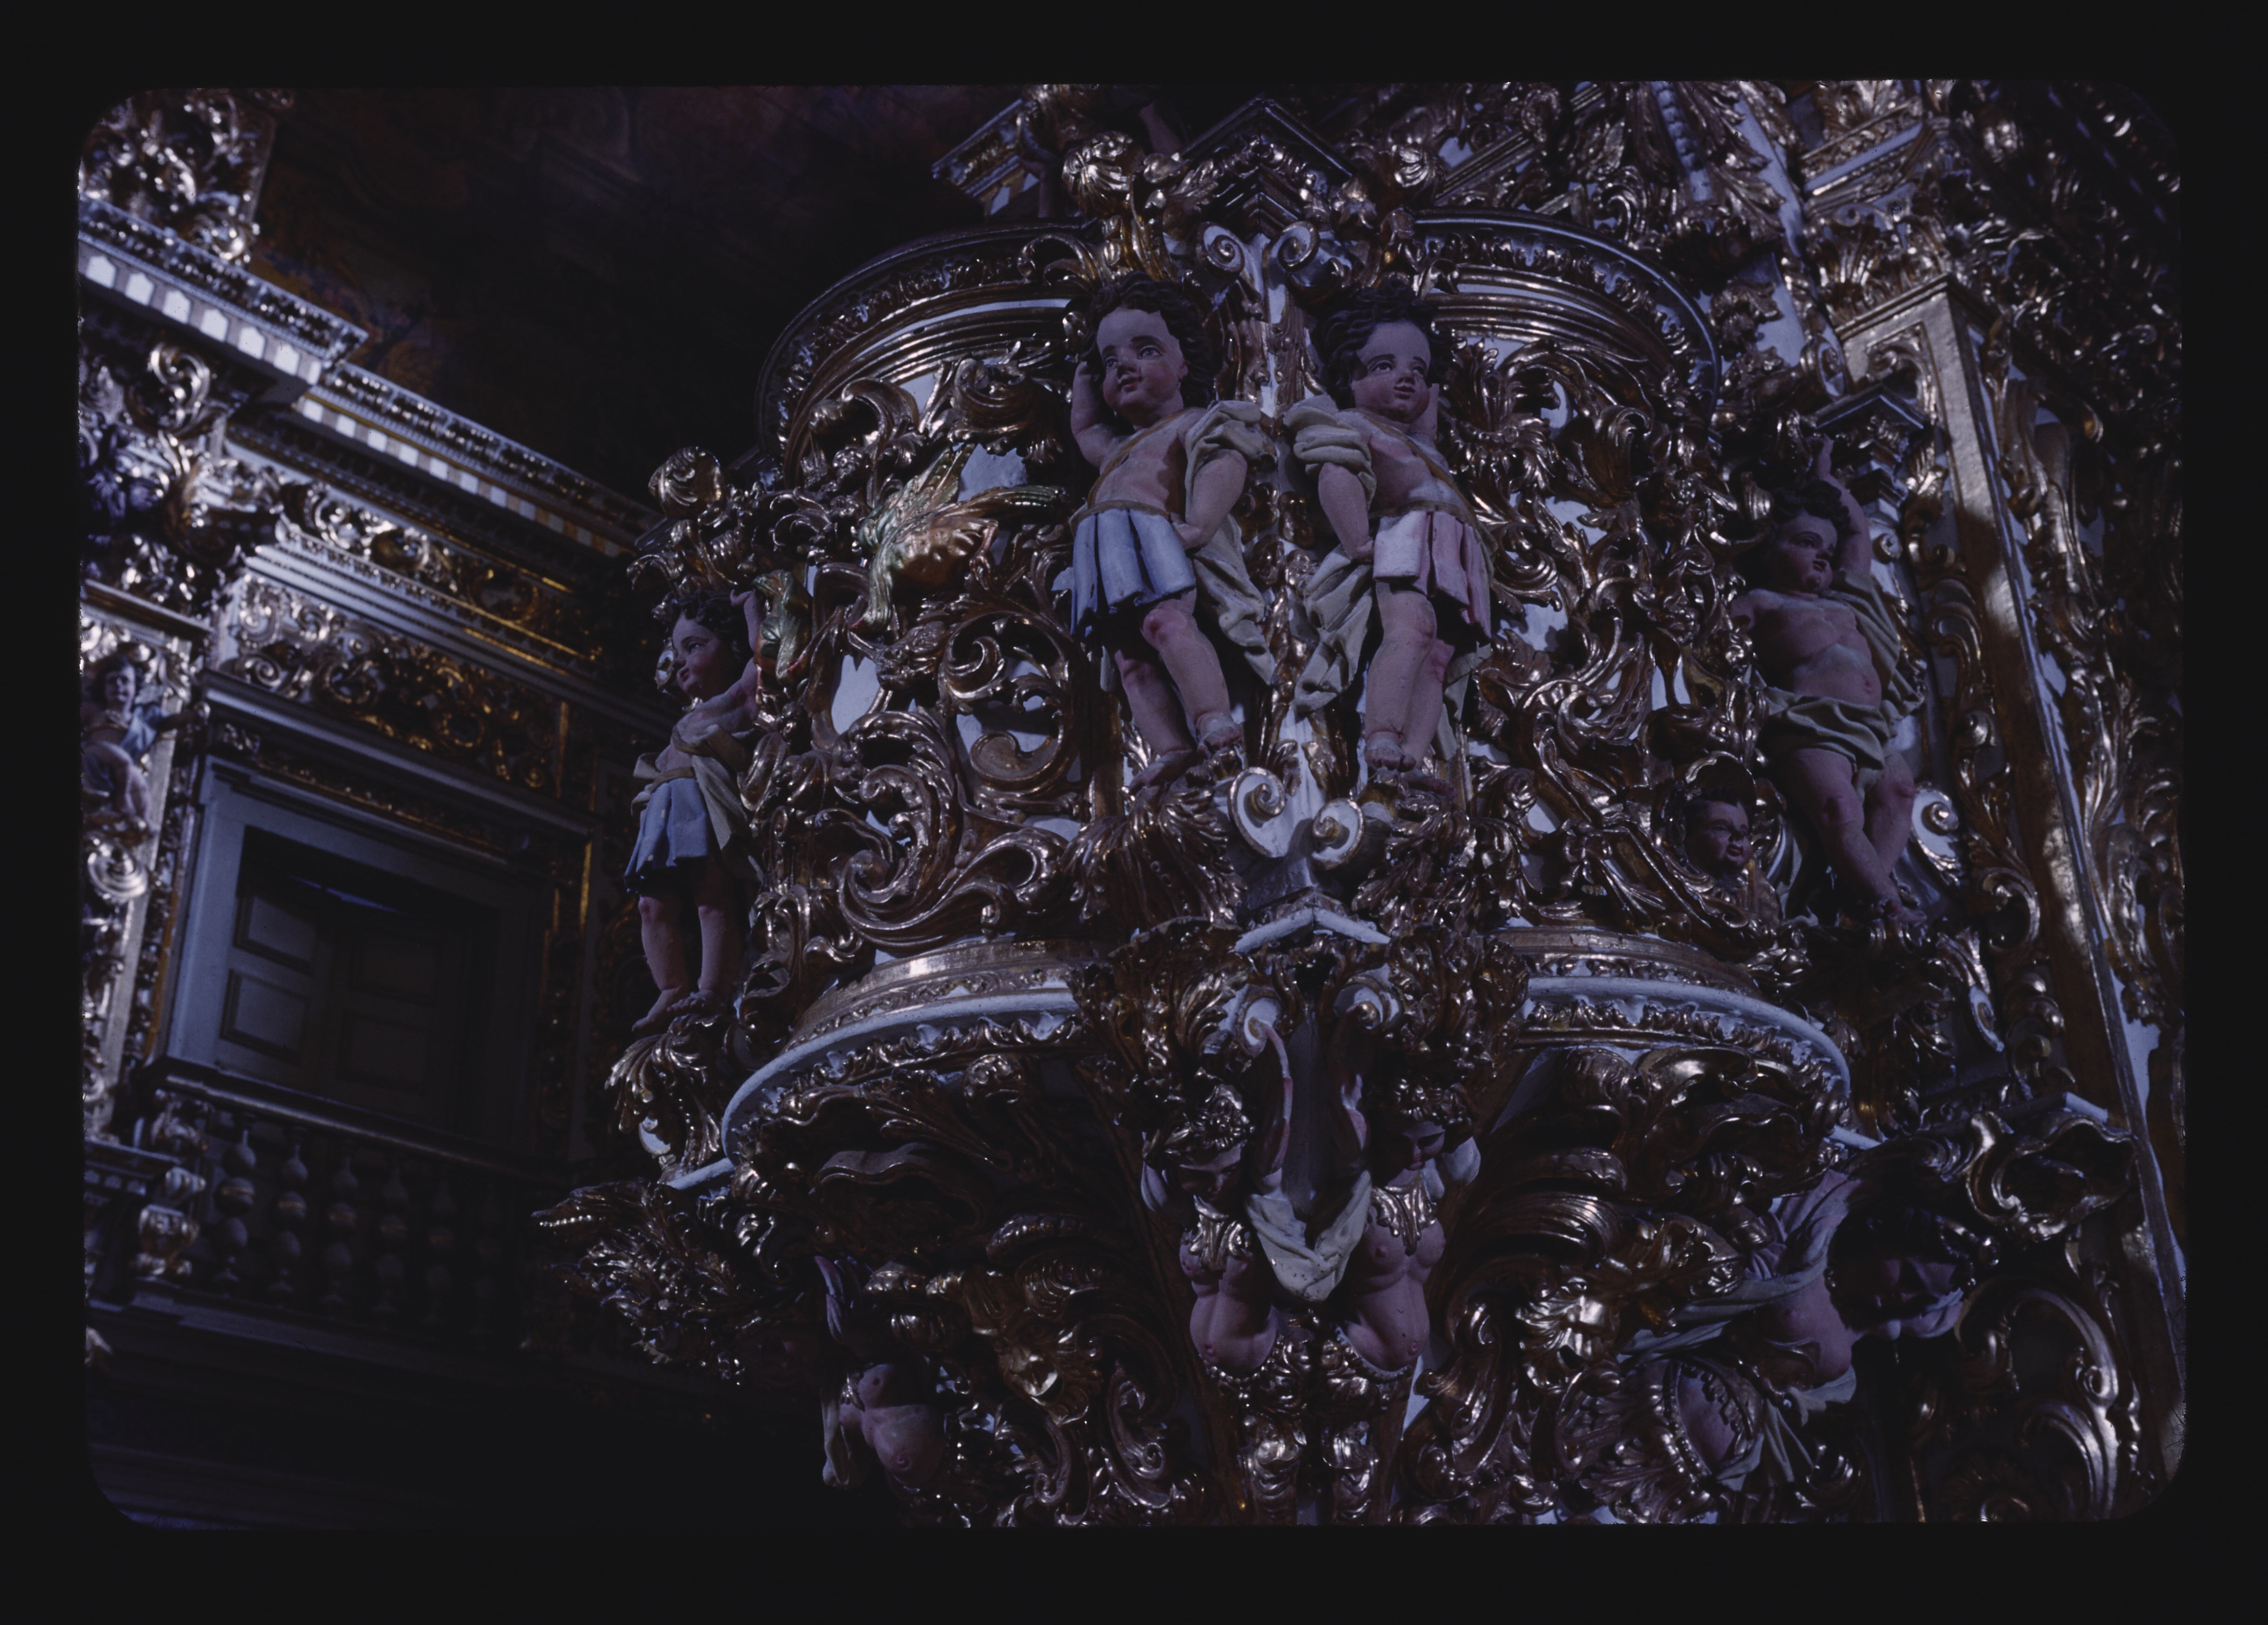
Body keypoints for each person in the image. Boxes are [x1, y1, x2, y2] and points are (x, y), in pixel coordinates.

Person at [1068, 275, 1272, 786]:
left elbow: (1225, 462)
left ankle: (1213, 717)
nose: (1124, 366)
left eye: (1145, 350)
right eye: (1111, 361)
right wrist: (1084, 374)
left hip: (1155, 536)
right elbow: (1085, 428)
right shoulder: (1115, 449)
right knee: (1128, 658)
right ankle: (1171, 748)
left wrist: (1200, 523)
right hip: (1105, 548)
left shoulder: (1194, 422)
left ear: (1183, 363)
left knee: (1166, 623)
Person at [1290, 284, 1492, 785]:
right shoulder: (1355, 425)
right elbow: (1336, 472)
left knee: (1440, 653)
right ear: (1349, 377)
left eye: (1417, 371)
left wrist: (1426, 384)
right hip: (1403, 537)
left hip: (1452, 548)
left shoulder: (1422, 442)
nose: (1406, 377)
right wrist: (1357, 540)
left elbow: (1427, 414)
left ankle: (1413, 758)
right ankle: (1381, 734)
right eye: (1384, 365)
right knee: (1412, 628)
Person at [1731, 440, 1925, 927]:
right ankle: (1887, 904)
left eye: (1826, 551)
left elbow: (1856, 534)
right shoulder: (1762, 603)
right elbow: (1718, 649)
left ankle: (1866, 891)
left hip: (1870, 727)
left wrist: (1825, 476)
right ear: (1768, 545)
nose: (1821, 558)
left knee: (1900, 791)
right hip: (1810, 725)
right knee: (1838, 808)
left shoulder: (1846, 600)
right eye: (1805, 543)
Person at [624, 589, 766, 1035]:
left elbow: (763, 667)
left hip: (696, 809)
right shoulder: (687, 720)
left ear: (732, 649)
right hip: (665, 813)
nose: (681, 663)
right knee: (650, 905)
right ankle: (671, 986)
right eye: (677, 651)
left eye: (695, 646)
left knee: (710, 895)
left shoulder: (730, 705)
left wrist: (751, 609)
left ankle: (712, 987)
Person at [80, 649, 178, 825]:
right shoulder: (94, 711)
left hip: (119, 767)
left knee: (138, 782)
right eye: (112, 681)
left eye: (125, 681)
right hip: (94, 753)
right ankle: (123, 799)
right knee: (124, 762)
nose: (118, 686)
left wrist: (196, 715)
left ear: (136, 687)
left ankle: (144, 820)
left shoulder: (141, 718)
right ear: (103, 688)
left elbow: (169, 722)